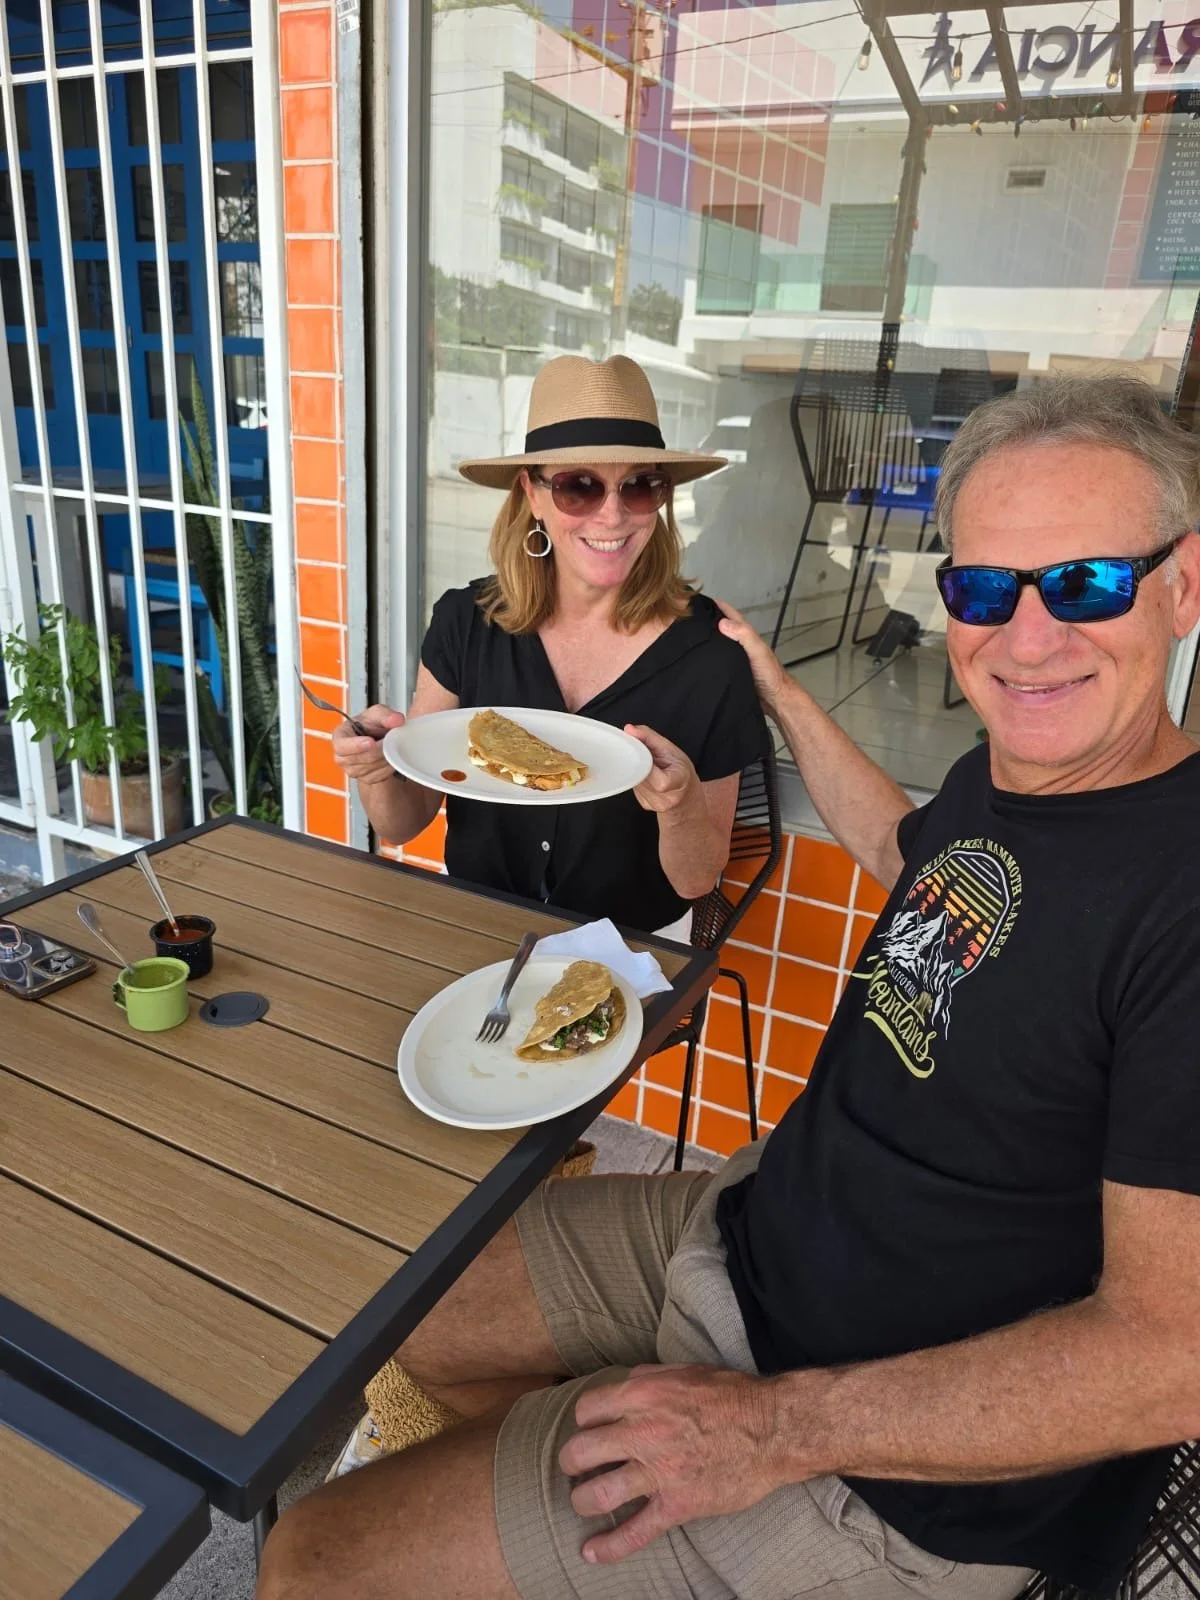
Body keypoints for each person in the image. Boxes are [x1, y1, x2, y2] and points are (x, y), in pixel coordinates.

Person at [258, 374, 1200, 1600]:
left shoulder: (1178, 896)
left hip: (881, 1462)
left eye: (1086, 583)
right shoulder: (1022, 773)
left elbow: (1173, 1353)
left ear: (1185, 584)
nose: (1027, 638)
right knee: (404, 1306)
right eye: (981, 587)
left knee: (311, 1559)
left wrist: (771, 1429)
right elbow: (908, 853)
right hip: (754, 1235)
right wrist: (781, 686)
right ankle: (544, 1508)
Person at [331, 353, 769, 938]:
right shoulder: (466, 622)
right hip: (477, 926)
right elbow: (403, 824)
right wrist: (376, 770)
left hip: (630, 944)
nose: (613, 514)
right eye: (579, 486)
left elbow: (697, 880)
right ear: (532, 495)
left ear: (662, 498)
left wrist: (679, 804)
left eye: (640, 485)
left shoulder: (711, 652)